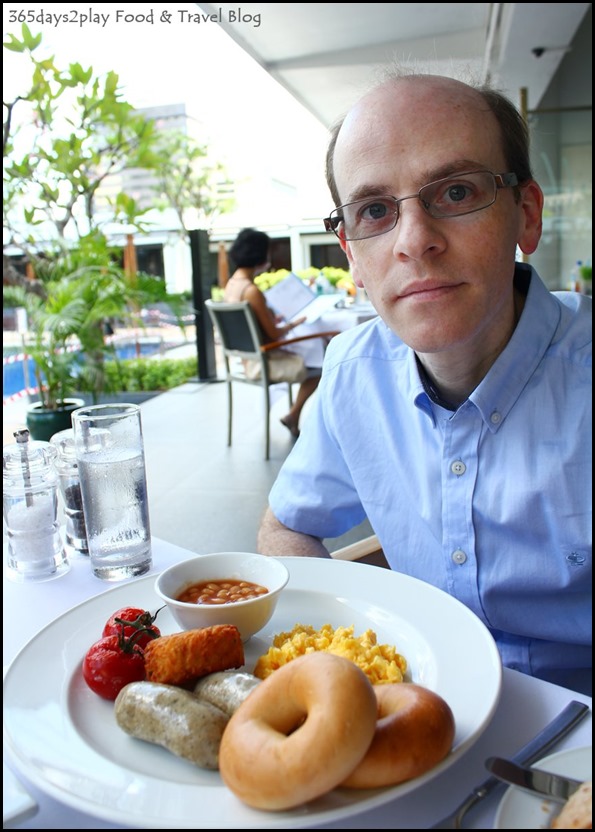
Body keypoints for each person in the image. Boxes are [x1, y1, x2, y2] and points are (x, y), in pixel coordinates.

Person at [257, 71, 592, 695]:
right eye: (376, 211)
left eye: (457, 191)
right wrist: (344, 656)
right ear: (351, 255)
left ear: (526, 215)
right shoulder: (354, 375)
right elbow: (285, 527)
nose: (414, 241)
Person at [224, 228, 321, 438]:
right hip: (264, 361)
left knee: (312, 355)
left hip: (246, 358)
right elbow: (275, 335)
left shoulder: (232, 285)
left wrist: (270, 318)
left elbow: (252, 324)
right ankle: (294, 415)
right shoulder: (251, 291)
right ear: (260, 254)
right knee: (321, 365)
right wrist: (295, 323)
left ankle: (293, 416)